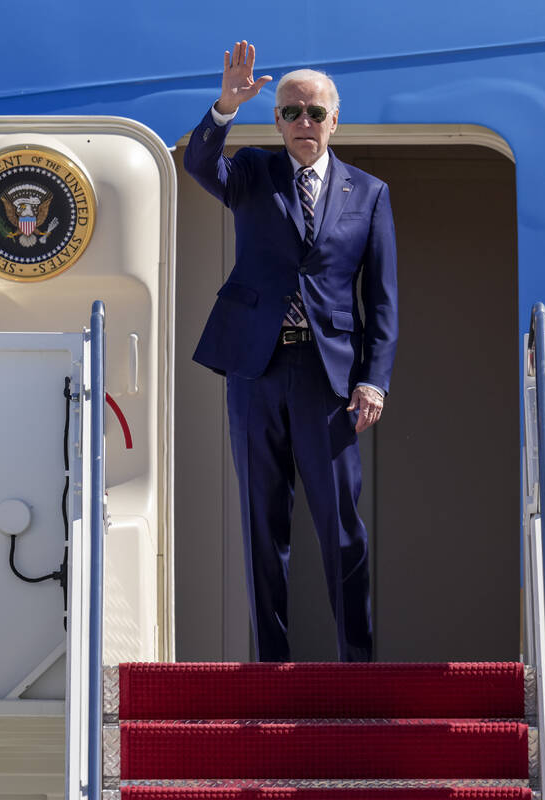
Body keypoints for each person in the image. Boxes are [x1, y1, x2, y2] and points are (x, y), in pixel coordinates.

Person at [183, 41, 398, 662]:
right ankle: (272, 665)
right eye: (290, 112)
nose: (303, 123)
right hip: (255, 370)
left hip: (328, 378)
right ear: (276, 119)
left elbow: (381, 300)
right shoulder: (250, 172)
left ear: (336, 120)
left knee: (342, 529)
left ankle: (358, 665)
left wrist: (373, 380)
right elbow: (201, 164)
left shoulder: (371, 193)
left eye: (314, 113)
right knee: (261, 524)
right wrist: (225, 106)